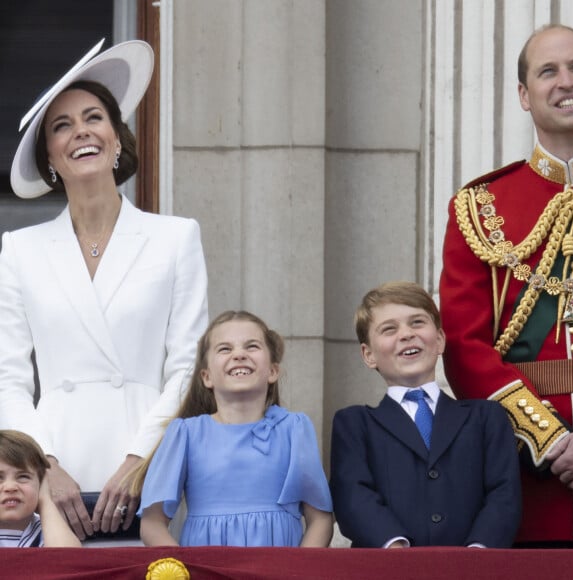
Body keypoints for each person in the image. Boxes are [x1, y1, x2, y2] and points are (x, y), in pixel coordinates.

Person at [0, 39, 208, 541]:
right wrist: (45, 465)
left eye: (93, 118)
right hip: (55, 467)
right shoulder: (21, 249)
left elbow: (186, 368)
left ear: (117, 139)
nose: (81, 133)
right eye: (61, 125)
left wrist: (140, 461)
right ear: (50, 156)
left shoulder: (175, 237)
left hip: (149, 467)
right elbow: (8, 378)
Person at [440, 24, 573, 547]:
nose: (567, 81)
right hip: (525, 484)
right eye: (549, 71)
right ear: (524, 95)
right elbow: (463, 347)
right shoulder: (480, 208)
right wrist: (549, 441)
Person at [330, 281, 521, 548]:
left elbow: (504, 493)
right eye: (389, 329)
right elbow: (352, 495)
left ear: (440, 339)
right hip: (387, 570)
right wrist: (396, 548)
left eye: (417, 322)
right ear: (369, 354)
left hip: (473, 570)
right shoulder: (355, 424)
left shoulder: (486, 417)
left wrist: (478, 554)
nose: (407, 334)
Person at [133, 310, 333, 547]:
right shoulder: (185, 434)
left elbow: (320, 519)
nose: (239, 354)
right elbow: (152, 524)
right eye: (225, 349)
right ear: (206, 377)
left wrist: (296, 571)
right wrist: (184, 569)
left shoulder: (294, 429)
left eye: (252, 346)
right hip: (205, 572)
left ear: (272, 371)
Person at [0, 430, 81, 547]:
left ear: (42, 483)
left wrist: (45, 500)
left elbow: (68, 559)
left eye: (23, 477)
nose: (11, 487)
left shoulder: (50, 530)